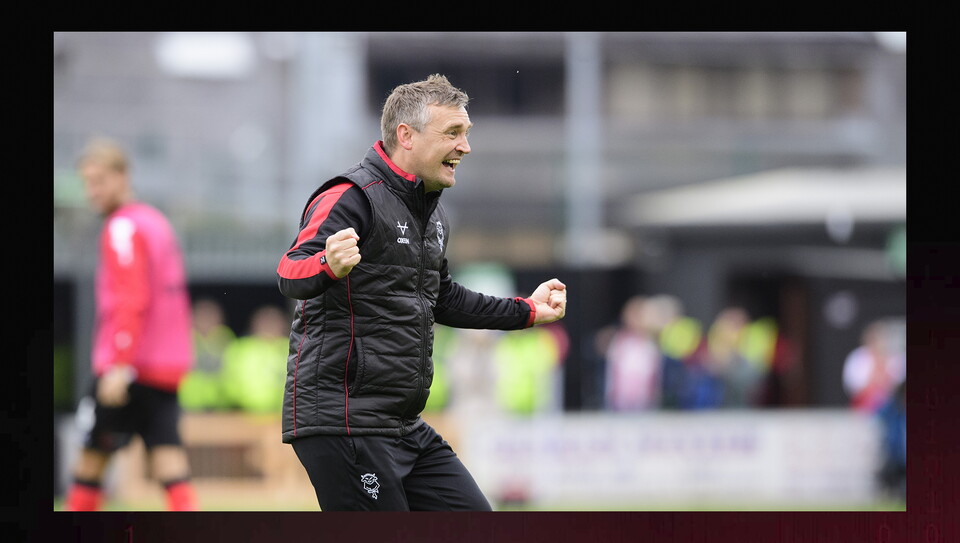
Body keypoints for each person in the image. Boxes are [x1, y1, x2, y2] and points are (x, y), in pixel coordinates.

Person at [275, 74, 567, 511]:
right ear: (405, 136)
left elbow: (442, 297)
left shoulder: (432, 214)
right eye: (453, 133)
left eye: (466, 134)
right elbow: (289, 269)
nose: (465, 147)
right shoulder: (350, 196)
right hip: (345, 422)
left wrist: (526, 310)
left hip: (401, 425)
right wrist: (326, 264)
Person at [64, 137, 198, 511]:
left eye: (100, 180)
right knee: (169, 460)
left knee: (91, 460)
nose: (93, 191)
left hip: (128, 365)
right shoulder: (156, 221)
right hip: (165, 365)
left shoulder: (122, 227)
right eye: (87, 182)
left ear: (123, 176)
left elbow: (130, 298)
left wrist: (120, 364)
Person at [219, 304, 290, 414]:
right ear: (254, 324)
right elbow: (228, 380)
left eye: (273, 321)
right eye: (265, 321)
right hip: (243, 414)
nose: (269, 326)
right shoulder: (241, 347)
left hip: (281, 414)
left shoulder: (291, 349)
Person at [178, 298, 236, 411]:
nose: (205, 321)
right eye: (201, 316)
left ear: (220, 319)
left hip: (221, 406)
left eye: (210, 317)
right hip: (188, 404)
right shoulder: (182, 341)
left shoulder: (227, 341)